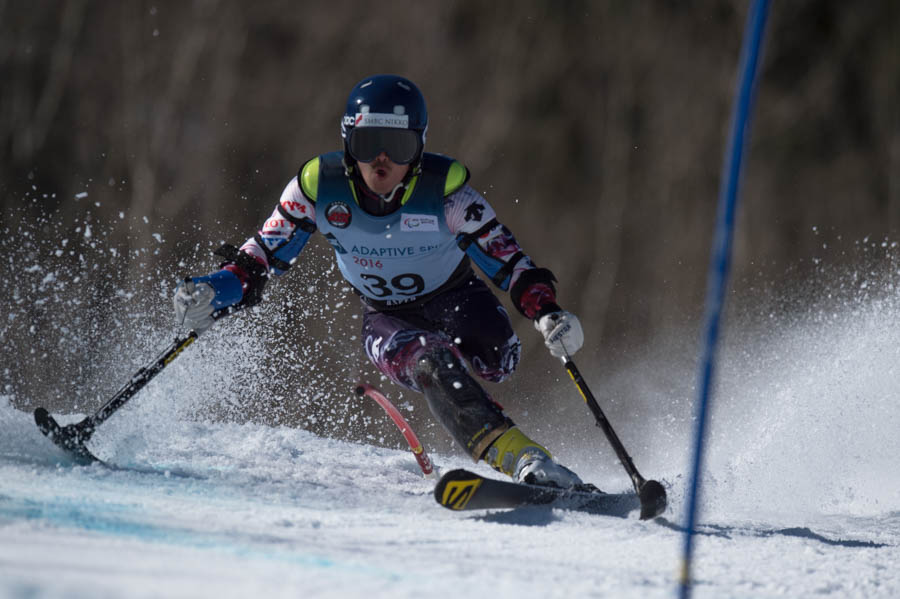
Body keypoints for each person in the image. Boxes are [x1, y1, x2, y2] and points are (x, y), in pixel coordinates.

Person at [174, 74, 586, 488]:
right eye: (368, 145)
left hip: (457, 298)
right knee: (431, 362)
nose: (381, 161)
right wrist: (216, 291)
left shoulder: (449, 196)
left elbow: (510, 263)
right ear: (348, 142)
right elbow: (260, 257)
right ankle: (525, 458)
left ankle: (463, 393)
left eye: (400, 147)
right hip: (387, 317)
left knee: (500, 360)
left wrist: (547, 311)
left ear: (419, 148)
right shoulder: (317, 189)